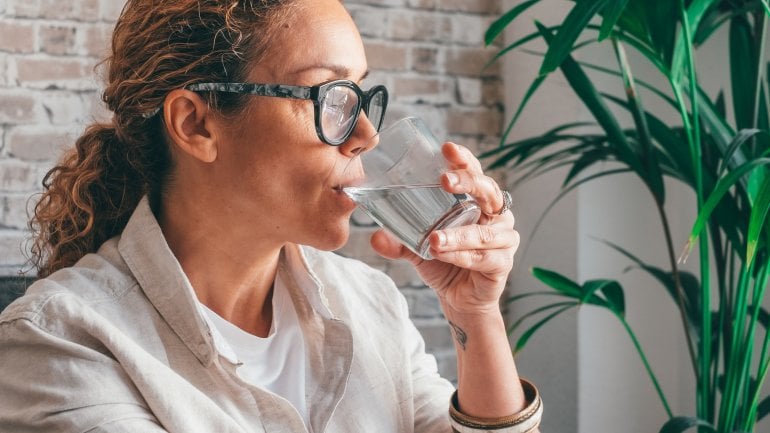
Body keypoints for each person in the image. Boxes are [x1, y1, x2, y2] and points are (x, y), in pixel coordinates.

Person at [0, 0, 542, 432]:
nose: (365, 136)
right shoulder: (62, 342)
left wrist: (476, 314)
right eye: (330, 97)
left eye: (359, 96)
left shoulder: (370, 305)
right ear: (196, 125)